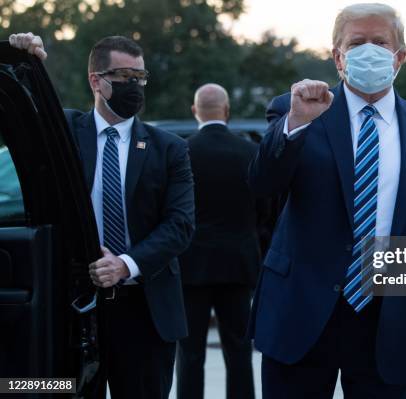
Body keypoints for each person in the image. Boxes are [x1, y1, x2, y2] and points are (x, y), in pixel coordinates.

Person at [247, 3, 406, 399]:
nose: (370, 50)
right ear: (337, 55)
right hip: (302, 313)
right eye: (357, 42)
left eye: (380, 42)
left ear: (400, 55)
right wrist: (295, 124)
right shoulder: (295, 110)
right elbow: (262, 186)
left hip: (392, 320)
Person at [9, 33, 195, 398]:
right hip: (74, 309)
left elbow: (181, 225)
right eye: (125, 77)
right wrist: (24, 61)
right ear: (97, 80)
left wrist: (125, 264)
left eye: (141, 77)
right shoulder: (64, 131)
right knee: (56, 391)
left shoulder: (169, 148)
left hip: (145, 311)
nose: (136, 86)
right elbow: (20, 113)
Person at [176, 84, 258, 399]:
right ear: (226, 110)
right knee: (239, 351)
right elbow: (264, 210)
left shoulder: (181, 150)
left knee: (190, 353)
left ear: (195, 111)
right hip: (238, 265)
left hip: (191, 265)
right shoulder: (250, 152)